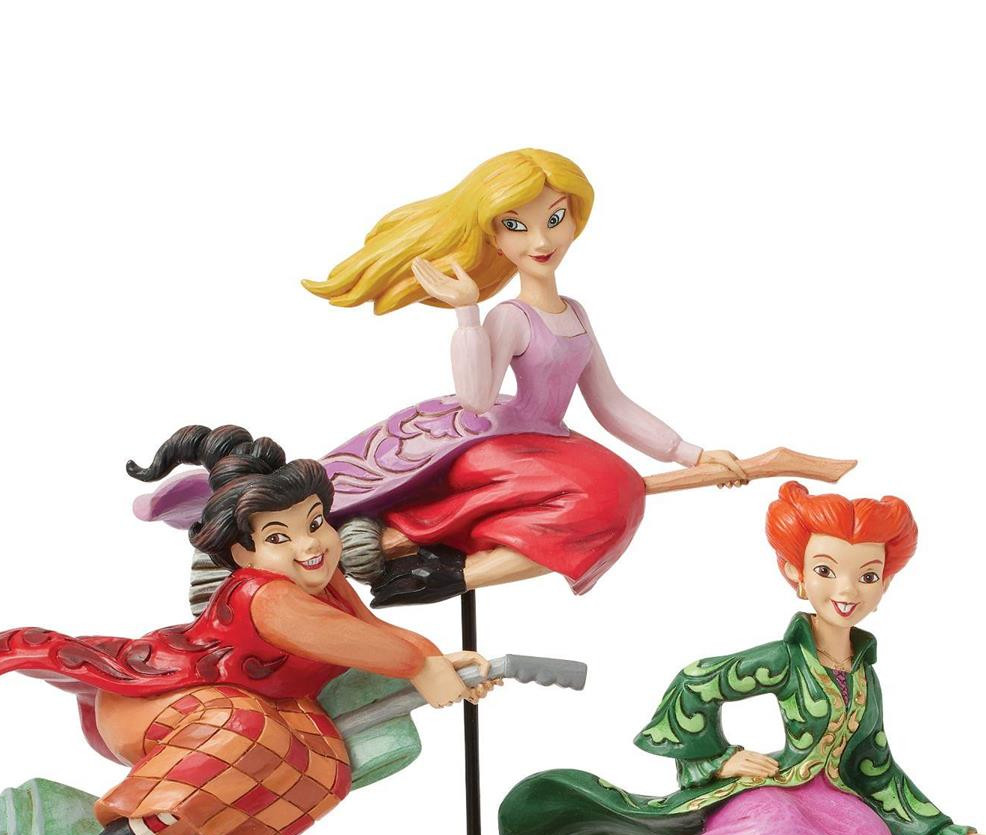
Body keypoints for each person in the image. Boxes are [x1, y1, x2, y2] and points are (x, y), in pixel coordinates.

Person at [497, 481, 986, 835]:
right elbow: (697, 682)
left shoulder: (864, 676)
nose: (847, 589)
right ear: (795, 574)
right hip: (777, 789)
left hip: (837, 804)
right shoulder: (784, 659)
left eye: (867, 576)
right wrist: (718, 760)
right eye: (826, 570)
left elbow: (875, 763)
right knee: (775, 833)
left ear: (884, 585)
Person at [0, 425, 492, 835]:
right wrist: (421, 666)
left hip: (267, 702)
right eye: (279, 537)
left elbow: (372, 628)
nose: (310, 546)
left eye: (315, 523)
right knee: (248, 731)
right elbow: (359, 644)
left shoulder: (325, 580)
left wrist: (438, 660)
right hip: (167, 701)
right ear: (243, 552)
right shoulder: (265, 595)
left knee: (325, 771)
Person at [298, 148, 753, 603]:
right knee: (609, 490)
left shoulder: (575, 313)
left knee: (615, 493)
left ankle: (447, 573)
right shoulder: (511, 317)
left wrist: (692, 454)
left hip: (548, 443)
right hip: (496, 446)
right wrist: (467, 313)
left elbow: (609, 402)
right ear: (496, 240)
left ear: (574, 222)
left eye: (554, 220)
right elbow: (477, 399)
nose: (540, 241)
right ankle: (443, 570)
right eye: (517, 226)